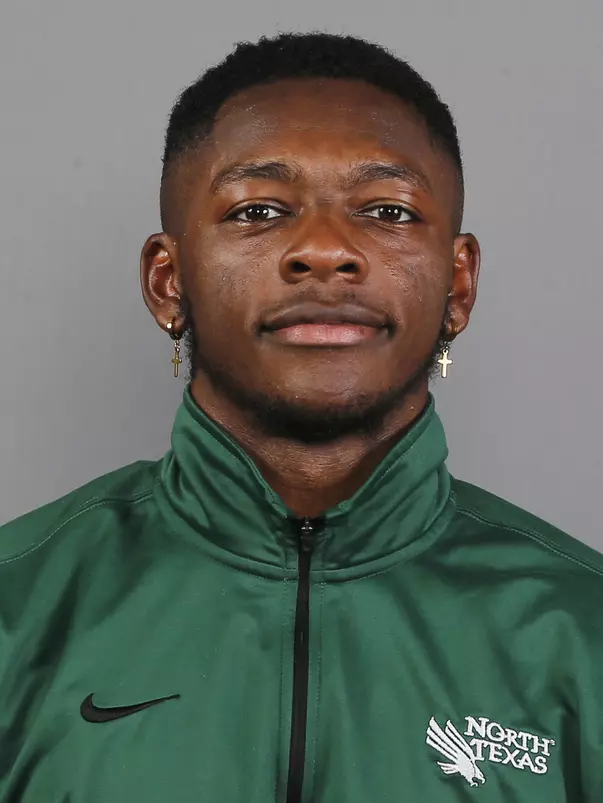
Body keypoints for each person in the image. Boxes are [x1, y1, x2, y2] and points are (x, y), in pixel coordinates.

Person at [0, 31, 601, 803]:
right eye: (257, 210)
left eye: (386, 209)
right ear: (167, 280)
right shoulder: (21, 609)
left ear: (457, 286)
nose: (323, 250)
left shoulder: (580, 629)